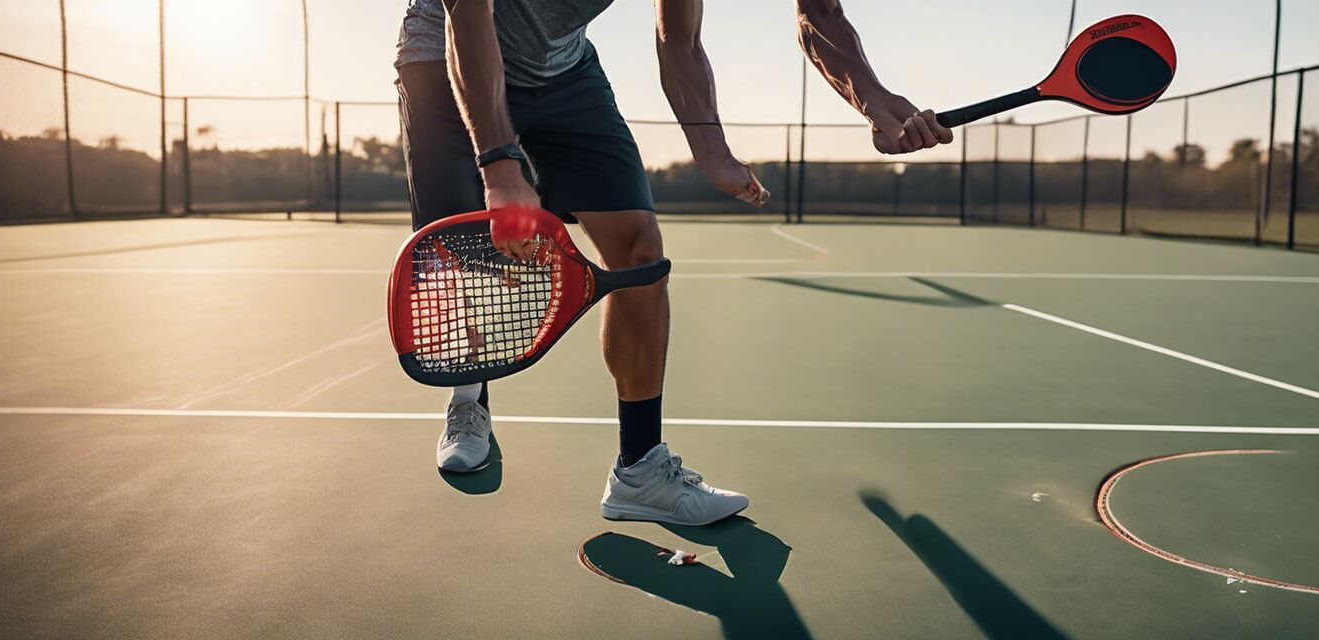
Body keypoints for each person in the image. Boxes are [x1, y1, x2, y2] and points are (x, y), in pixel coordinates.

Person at [393, 0, 951, 526]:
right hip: (445, 54)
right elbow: (467, 8)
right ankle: (469, 398)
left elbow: (693, 37)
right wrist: (500, 166)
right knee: (463, 250)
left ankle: (639, 472)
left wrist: (869, 101)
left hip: (561, 69)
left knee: (640, 249)